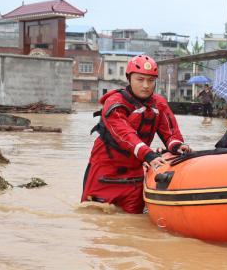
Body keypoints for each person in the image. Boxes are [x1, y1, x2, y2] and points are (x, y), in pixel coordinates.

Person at [82, 54, 191, 213]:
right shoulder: (115, 103)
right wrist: (149, 155)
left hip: (134, 174)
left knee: (134, 219)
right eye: (140, 79)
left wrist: (177, 146)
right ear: (129, 78)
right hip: (105, 171)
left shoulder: (158, 103)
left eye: (151, 80)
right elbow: (125, 135)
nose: (146, 85)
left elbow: (170, 131)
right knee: (93, 216)